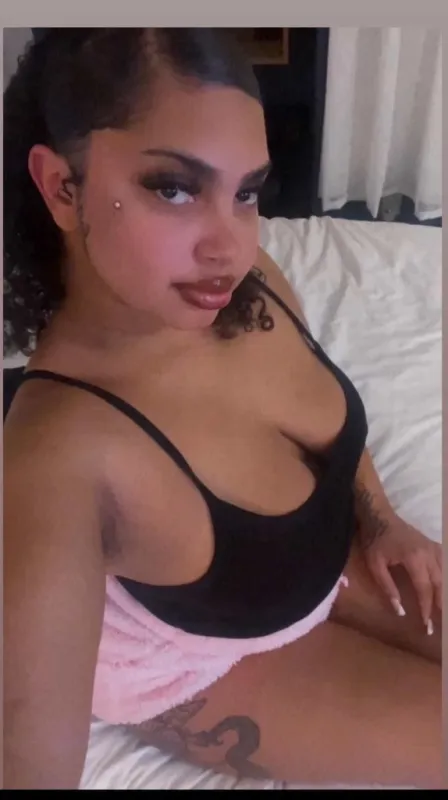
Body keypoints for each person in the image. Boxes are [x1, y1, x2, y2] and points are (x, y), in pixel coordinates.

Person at [3, 28, 442, 790]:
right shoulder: (59, 461)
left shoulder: (248, 283)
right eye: (174, 188)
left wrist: (380, 517)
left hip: (317, 564)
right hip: (207, 665)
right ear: (62, 187)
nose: (229, 246)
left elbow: (330, 425)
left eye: (245, 193)